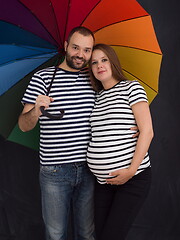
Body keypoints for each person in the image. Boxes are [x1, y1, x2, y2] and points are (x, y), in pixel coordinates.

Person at [18, 26, 96, 240]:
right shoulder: (42, 79)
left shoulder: (94, 80)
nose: (81, 54)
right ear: (65, 47)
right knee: (55, 234)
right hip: (55, 172)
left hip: (90, 170)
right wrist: (36, 109)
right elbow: (24, 125)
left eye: (87, 50)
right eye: (76, 47)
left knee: (87, 233)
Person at [87, 44, 154, 240]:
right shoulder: (97, 97)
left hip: (132, 178)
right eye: (94, 62)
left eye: (104, 60)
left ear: (113, 61)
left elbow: (148, 131)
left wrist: (131, 170)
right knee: (101, 235)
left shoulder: (131, 87)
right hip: (103, 183)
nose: (100, 65)